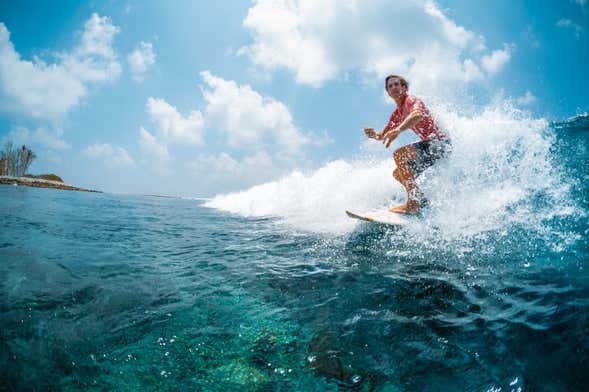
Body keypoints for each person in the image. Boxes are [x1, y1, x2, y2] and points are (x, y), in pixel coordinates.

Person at [364, 75, 451, 215]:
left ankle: (413, 204)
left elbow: (418, 114)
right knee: (398, 174)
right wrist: (375, 135)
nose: (394, 88)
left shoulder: (411, 101)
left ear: (404, 87)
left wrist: (399, 129)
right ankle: (422, 199)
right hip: (430, 146)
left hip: (440, 144)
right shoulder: (396, 114)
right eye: (390, 86)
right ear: (387, 92)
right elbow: (385, 134)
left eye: (397, 84)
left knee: (399, 155)